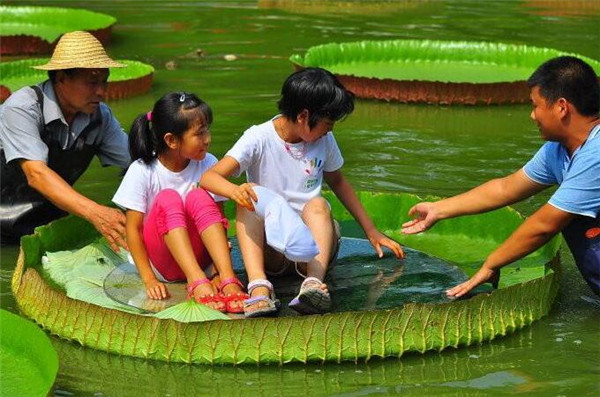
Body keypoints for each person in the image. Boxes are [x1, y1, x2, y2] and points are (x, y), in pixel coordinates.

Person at [201, 67, 404, 317]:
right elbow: (208, 178)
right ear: (303, 115)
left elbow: (338, 182)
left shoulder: (325, 141)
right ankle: (259, 288)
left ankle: (313, 285)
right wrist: (236, 191)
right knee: (249, 194)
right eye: (327, 124)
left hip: (312, 253)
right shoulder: (258, 138)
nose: (329, 131)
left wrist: (371, 231)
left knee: (318, 204)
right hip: (271, 249)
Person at [402, 56, 600, 297]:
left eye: (535, 105)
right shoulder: (558, 150)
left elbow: (544, 225)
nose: (532, 116)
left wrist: (492, 263)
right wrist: (440, 209)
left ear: (561, 107)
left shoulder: (596, 153)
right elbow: (506, 188)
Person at [112, 92, 247, 313]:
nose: (208, 139)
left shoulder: (209, 164)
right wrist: (148, 280)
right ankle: (196, 281)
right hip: (164, 264)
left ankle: (228, 280)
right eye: (200, 133)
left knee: (198, 196)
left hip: (202, 258)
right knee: (168, 198)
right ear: (171, 140)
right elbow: (133, 230)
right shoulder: (143, 170)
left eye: (207, 130)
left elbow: (219, 221)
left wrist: (216, 271)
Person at [0, 31, 131, 250]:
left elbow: (137, 161)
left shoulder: (100, 117)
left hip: (46, 223)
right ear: (61, 77)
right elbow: (37, 175)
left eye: (104, 81)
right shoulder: (22, 108)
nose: (101, 92)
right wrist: (96, 213)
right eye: (92, 82)